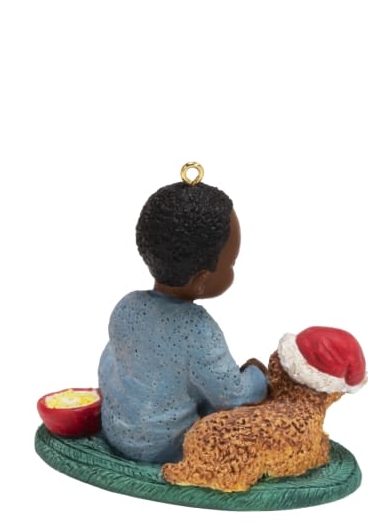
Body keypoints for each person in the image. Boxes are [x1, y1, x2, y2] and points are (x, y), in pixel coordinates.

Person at [98, 164, 268, 463]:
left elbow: (113, 365)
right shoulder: (197, 328)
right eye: (231, 264)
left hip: (115, 432)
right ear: (201, 279)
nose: (232, 270)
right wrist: (258, 376)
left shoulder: (126, 305)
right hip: (166, 448)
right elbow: (233, 397)